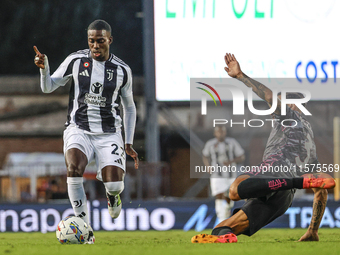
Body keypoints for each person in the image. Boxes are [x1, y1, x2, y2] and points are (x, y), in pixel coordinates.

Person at [192, 53, 335, 243]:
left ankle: (295, 182)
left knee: (235, 191)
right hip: (283, 199)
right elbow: (322, 190)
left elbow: (267, 95)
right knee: (220, 229)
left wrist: (240, 76)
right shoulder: (309, 142)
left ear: (291, 103)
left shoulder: (289, 116)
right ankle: (226, 239)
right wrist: (313, 230)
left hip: (274, 173)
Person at [34, 19, 139, 244]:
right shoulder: (75, 60)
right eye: (91, 41)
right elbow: (48, 87)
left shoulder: (122, 70)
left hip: (109, 132)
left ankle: (113, 196)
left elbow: (129, 106)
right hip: (78, 127)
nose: (95, 45)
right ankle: (86, 230)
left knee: (114, 184)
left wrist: (128, 141)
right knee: (74, 169)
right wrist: (45, 70)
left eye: (100, 41)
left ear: (109, 40)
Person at [202, 126, 245, 223]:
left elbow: (242, 157)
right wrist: (208, 166)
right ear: (215, 133)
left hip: (231, 174)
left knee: (230, 196)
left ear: (225, 133)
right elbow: (205, 155)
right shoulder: (210, 144)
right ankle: (221, 219)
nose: (220, 134)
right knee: (219, 195)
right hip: (217, 174)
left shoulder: (232, 142)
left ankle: (226, 211)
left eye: (222, 132)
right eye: (218, 132)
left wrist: (231, 161)